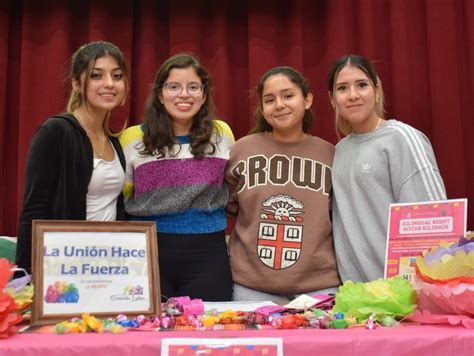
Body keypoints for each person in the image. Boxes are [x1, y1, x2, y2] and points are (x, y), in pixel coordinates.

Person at [119, 53, 234, 301]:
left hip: (208, 255)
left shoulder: (222, 134)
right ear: (160, 95)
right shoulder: (131, 139)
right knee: (143, 335)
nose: (184, 94)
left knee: (208, 334)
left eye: (193, 87)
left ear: (204, 95)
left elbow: (233, 187)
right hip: (146, 253)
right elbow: (123, 197)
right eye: (174, 87)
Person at [226, 66, 341, 303]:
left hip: (319, 285)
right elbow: (226, 208)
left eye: (288, 96)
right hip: (252, 285)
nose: (279, 104)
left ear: (307, 99)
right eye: (269, 99)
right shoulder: (242, 150)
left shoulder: (331, 154)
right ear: (262, 107)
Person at [328, 54, 447, 283]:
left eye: (361, 85)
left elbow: (435, 219)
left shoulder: (401, 138)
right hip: (360, 298)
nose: (353, 95)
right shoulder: (338, 152)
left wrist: (423, 289)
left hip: (407, 292)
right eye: (343, 88)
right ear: (333, 99)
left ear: (376, 90)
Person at [16, 41, 129, 274]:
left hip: (108, 269)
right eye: (97, 75)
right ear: (77, 83)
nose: (109, 83)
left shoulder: (114, 141)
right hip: (64, 268)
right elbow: (33, 211)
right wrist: (26, 276)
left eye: (117, 76)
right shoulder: (55, 132)